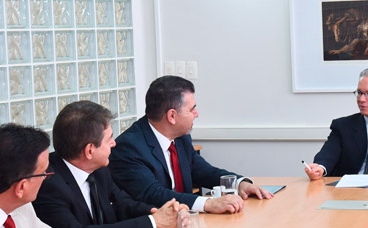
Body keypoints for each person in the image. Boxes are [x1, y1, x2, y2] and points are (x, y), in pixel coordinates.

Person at [34, 101, 189, 228]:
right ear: (90, 151)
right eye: (109, 139)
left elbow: (122, 204)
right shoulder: (48, 183)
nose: (114, 143)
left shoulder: (99, 169)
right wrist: (154, 224)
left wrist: (161, 213)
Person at [110, 76, 273, 213]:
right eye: (191, 109)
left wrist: (240, 184)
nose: (197, 114)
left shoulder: (180, 137)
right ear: (172, 116)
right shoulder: (129, 148)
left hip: (185, 227)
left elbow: (202, 171)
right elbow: (154, 195)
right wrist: (208, 204)